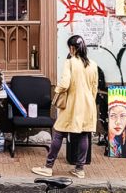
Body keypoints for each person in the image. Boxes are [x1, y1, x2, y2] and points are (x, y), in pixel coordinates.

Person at [32, 35, 99, 179]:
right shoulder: (93, 64)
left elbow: (64, 84)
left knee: (59, 133)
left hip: (72, 103)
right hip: (88, 104)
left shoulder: (70, 62)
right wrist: (89, 101)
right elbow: (95, 88)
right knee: (83, 134)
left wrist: (56, 92)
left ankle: (48, 167)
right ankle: (79, 169)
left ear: (72, 48)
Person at [104, 89, 126, 158]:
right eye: (113, 116)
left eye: (122, 116)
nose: (118, 122)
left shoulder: (120, 143)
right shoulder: (113, 143)